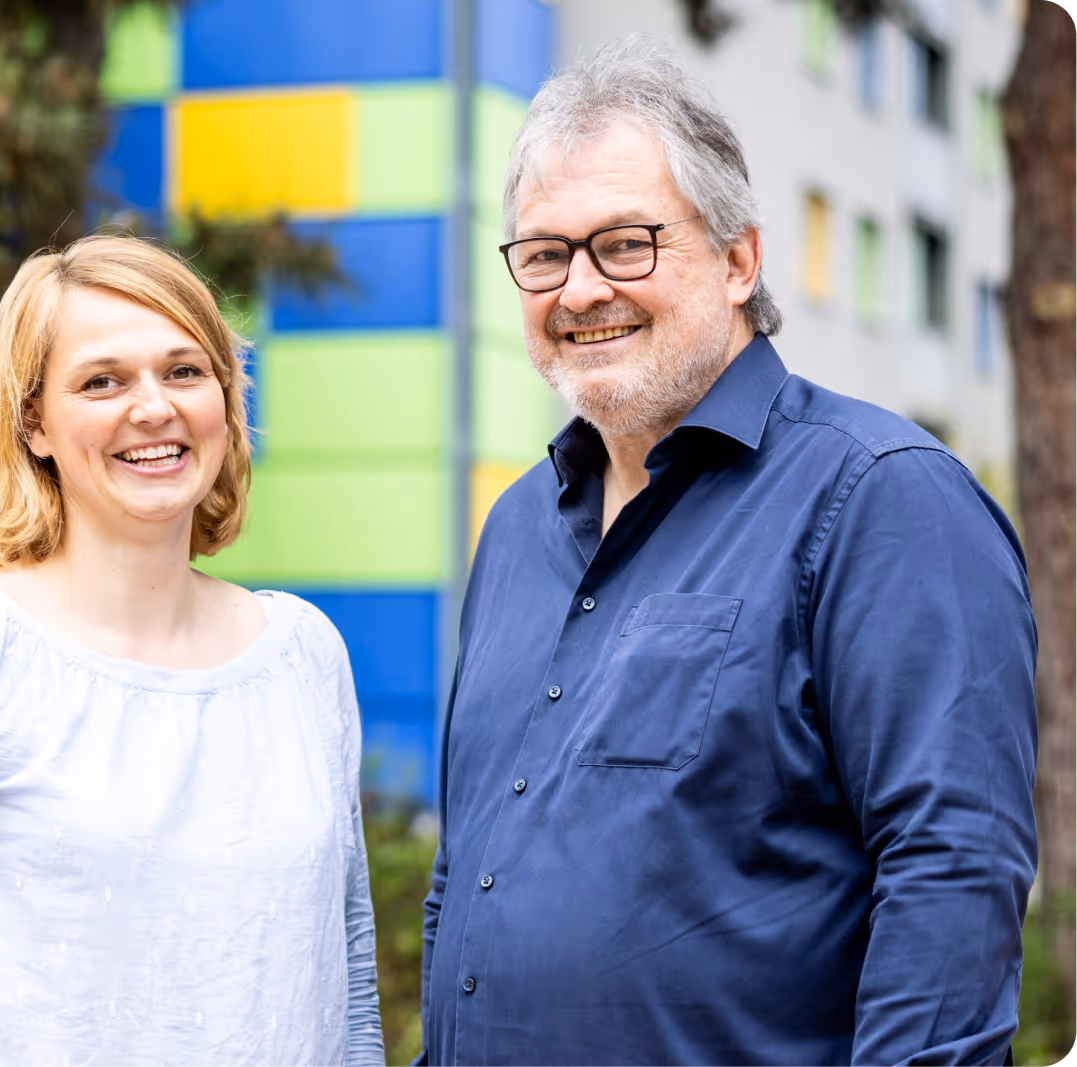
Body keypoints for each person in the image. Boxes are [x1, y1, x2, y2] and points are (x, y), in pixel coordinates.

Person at [416, 35, 1037, 1067]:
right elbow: (464, 871)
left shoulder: (879, 497)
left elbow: (952, 875)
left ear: (740, 260)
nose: (579, 289)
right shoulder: (516, 526)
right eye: (544, 253)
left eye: (626, 243)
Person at [0, 234, 385, 1066]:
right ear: (33, 422)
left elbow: (346, 991)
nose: (153, 407)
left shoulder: (304, 654)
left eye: (184, 370)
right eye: (101, 381)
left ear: (224, 398)